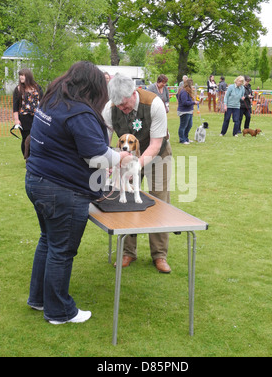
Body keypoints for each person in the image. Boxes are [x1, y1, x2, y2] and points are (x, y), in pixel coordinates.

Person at [25, 62, 132, 324]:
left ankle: (39, 299)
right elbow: (96, 154)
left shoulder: (52, 100)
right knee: (61, 250)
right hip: (62, 190)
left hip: (37, 181)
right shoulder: (79, 112)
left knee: (48, 241)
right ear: (93, 86)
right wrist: (119, 157)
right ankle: (59, 312)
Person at [103, 73, 172, 273]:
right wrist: (108, 164)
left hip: (157, 153)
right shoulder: (110, 109)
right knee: (125, 199)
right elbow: (104, 141)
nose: (122, 110)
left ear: (134, 93)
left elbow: (155, 144)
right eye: (119, 106)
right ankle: (127, 252)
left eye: (125, 105)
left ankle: (159, 255)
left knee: (159, 201)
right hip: (125, 154)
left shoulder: (155, 104)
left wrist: (136, 167)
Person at [13, 69, 43, 158]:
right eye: (20, 75)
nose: (21, 77)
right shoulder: (18, 89)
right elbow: (15, 106)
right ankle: (27, 157)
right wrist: (16, 120)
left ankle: (36, 157)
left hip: (37, 117)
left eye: (23, 75)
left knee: (36, 138)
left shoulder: (38, 88)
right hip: (24, 118)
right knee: (26, 138)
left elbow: (43, 102)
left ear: (28, 76)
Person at [176, 78, 198, 144]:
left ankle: (186, 138)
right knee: (183, 126)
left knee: (189, 125)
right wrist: (194, 102)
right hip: (184, 111)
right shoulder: (184, 92)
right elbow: (185, 102)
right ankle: (182, 139)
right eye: (192, 85)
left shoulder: (187, 91)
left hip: (189, 111)